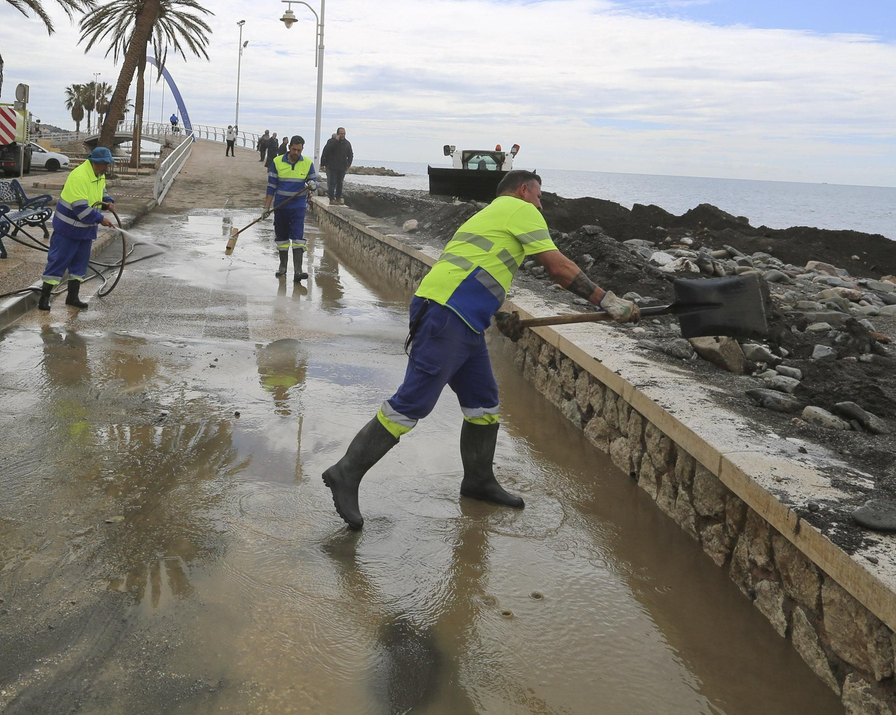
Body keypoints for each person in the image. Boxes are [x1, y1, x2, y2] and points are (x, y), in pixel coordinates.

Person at [320, 170, 641, 530]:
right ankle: (345, 473)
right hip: (448, 316)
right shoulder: (521, 210)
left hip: (462, 316)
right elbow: (558, 267)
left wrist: (500, 312)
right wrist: (606, 300)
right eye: (539, 196)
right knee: (412, 403)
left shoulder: (487, 215)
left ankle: (478, 480)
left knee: (483, 403)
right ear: (524, 190)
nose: (541, 203)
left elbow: (477, 269)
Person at [39, 146, 116, 311]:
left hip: (85, 230)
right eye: (105, 164)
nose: (107, 168)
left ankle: (72, 297)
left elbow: (101, 191)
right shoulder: (80, 177)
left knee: (80, 265)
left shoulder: (98, 174)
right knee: (58, 262)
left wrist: (108, 201)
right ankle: (44, 298)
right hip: (67, 229)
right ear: (96, 162)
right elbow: (81, 209)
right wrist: (101, 219)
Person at [265, 135, 319, 282]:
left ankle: (298, 271)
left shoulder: (307, 163)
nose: (296, 153)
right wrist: (266, 208)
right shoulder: (277, 162)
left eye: (299, 150)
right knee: (281, 238)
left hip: (298, 207)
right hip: (281, 207)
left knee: (297, 238)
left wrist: (313, 185)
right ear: (289, 148)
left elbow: (313, 181)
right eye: (294, 149)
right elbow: (271, 187)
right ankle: (282, 267)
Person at [320, 126, 354, 206]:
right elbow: (326, 151)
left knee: (340, 183)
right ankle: (331, 199)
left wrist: (348, 164)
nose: (343, 135)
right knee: (332, 183)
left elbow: (350, 154)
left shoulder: (347, 143)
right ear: (338, 134)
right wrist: (323, 163)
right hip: (332, 167)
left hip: (342, 167)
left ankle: (338, 198)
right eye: (341, 134)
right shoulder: (331, 142)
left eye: (344, 133)